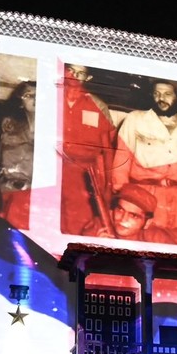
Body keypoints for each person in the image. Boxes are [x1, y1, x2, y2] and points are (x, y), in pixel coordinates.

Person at [113, 79, 177, 228]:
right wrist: (123, 196)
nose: (161, 98)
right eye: (157, 94)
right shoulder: (135, 119)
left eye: (167, 94)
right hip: (145, 194)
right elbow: (121, 158)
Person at [60, 64, 117, 235]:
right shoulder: (49, 97)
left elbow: (107, 148)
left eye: (81, 73)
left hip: (82, 173)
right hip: (51, 167)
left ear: (88, 78)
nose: (74, 76)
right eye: (71, 70)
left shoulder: (97, 105)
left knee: (77, 221)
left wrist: (108, 182)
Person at [0, 80, 36, 229]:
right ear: (20, 102)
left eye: (39, 95)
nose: (35, 99)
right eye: (29, 95)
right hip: (10, 183)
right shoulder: (8, 123)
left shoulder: (54, 126)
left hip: (36, 188)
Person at [80, 184, 177, 244]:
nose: (123, 219)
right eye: (120, 210)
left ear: (147, 223)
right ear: (112, 211)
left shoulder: (158, 239)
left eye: (133, 216)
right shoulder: (94, 231)